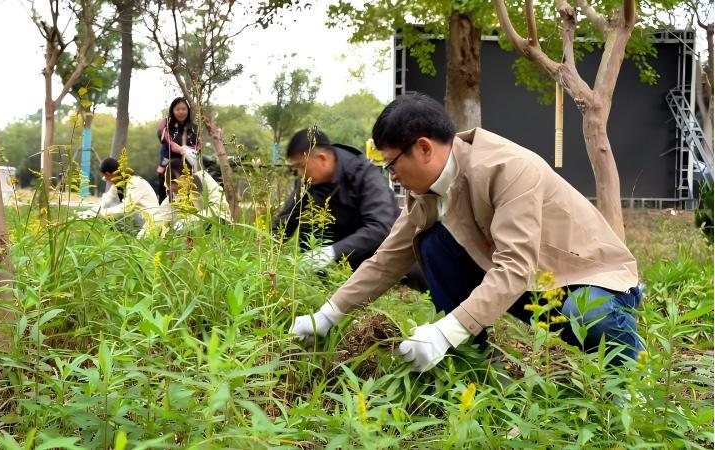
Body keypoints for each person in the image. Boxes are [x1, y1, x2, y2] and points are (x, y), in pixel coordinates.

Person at [290, 94, 644, 372]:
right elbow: (387, 261)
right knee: (432, 243)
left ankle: (631, 378)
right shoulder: (425, 195)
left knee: (591, 313)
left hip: (587, 279)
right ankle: (475, 366)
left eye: (392, 164)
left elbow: (515, 267)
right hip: (531, 287)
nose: (392, 177)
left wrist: (445, 331)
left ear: (424, 148)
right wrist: (329, 314)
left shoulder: (508, 169)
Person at [271, 128, 425, 290]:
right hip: (334, 257)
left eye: (301, 166)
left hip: (377, 250)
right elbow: (287, 219)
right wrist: (267, 249)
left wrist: (331, 253)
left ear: (322, 158)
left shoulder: (364, 174)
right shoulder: (307, 180)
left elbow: (379, 227)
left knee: (417, 273)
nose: (299, 173)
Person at [140, 156, 230, 237]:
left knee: (181, 226)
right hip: (195, 234)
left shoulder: (204, 179)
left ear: (187, 175)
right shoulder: (176, 196)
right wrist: (141, 237)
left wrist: (189, 220)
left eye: (179, 186)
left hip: (220, 227)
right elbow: (159, 217)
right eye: (173, 190)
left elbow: (220, 208)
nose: (178, 193)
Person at [78, 158, 159, 231]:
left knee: (112, 212)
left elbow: (126, 207)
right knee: (109, 206)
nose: (107, 180)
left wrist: (101, 213)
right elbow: (105, 202)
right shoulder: (117, 185)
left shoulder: (135, 182)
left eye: (106, 177)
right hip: (135, 218)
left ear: (108, 174)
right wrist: (87, 214)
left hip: (148, 220)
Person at [156, 96, 201, 203]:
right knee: (165, 186)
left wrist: (189, 150)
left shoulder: (193, 127)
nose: (181, 112)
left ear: (188, 110)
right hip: (169, 160)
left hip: (188, 163)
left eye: (183, 109)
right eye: (177, 109)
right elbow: (163, 137)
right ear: (172, 110)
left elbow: (198, 145)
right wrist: (180, 149)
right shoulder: (166, 123)